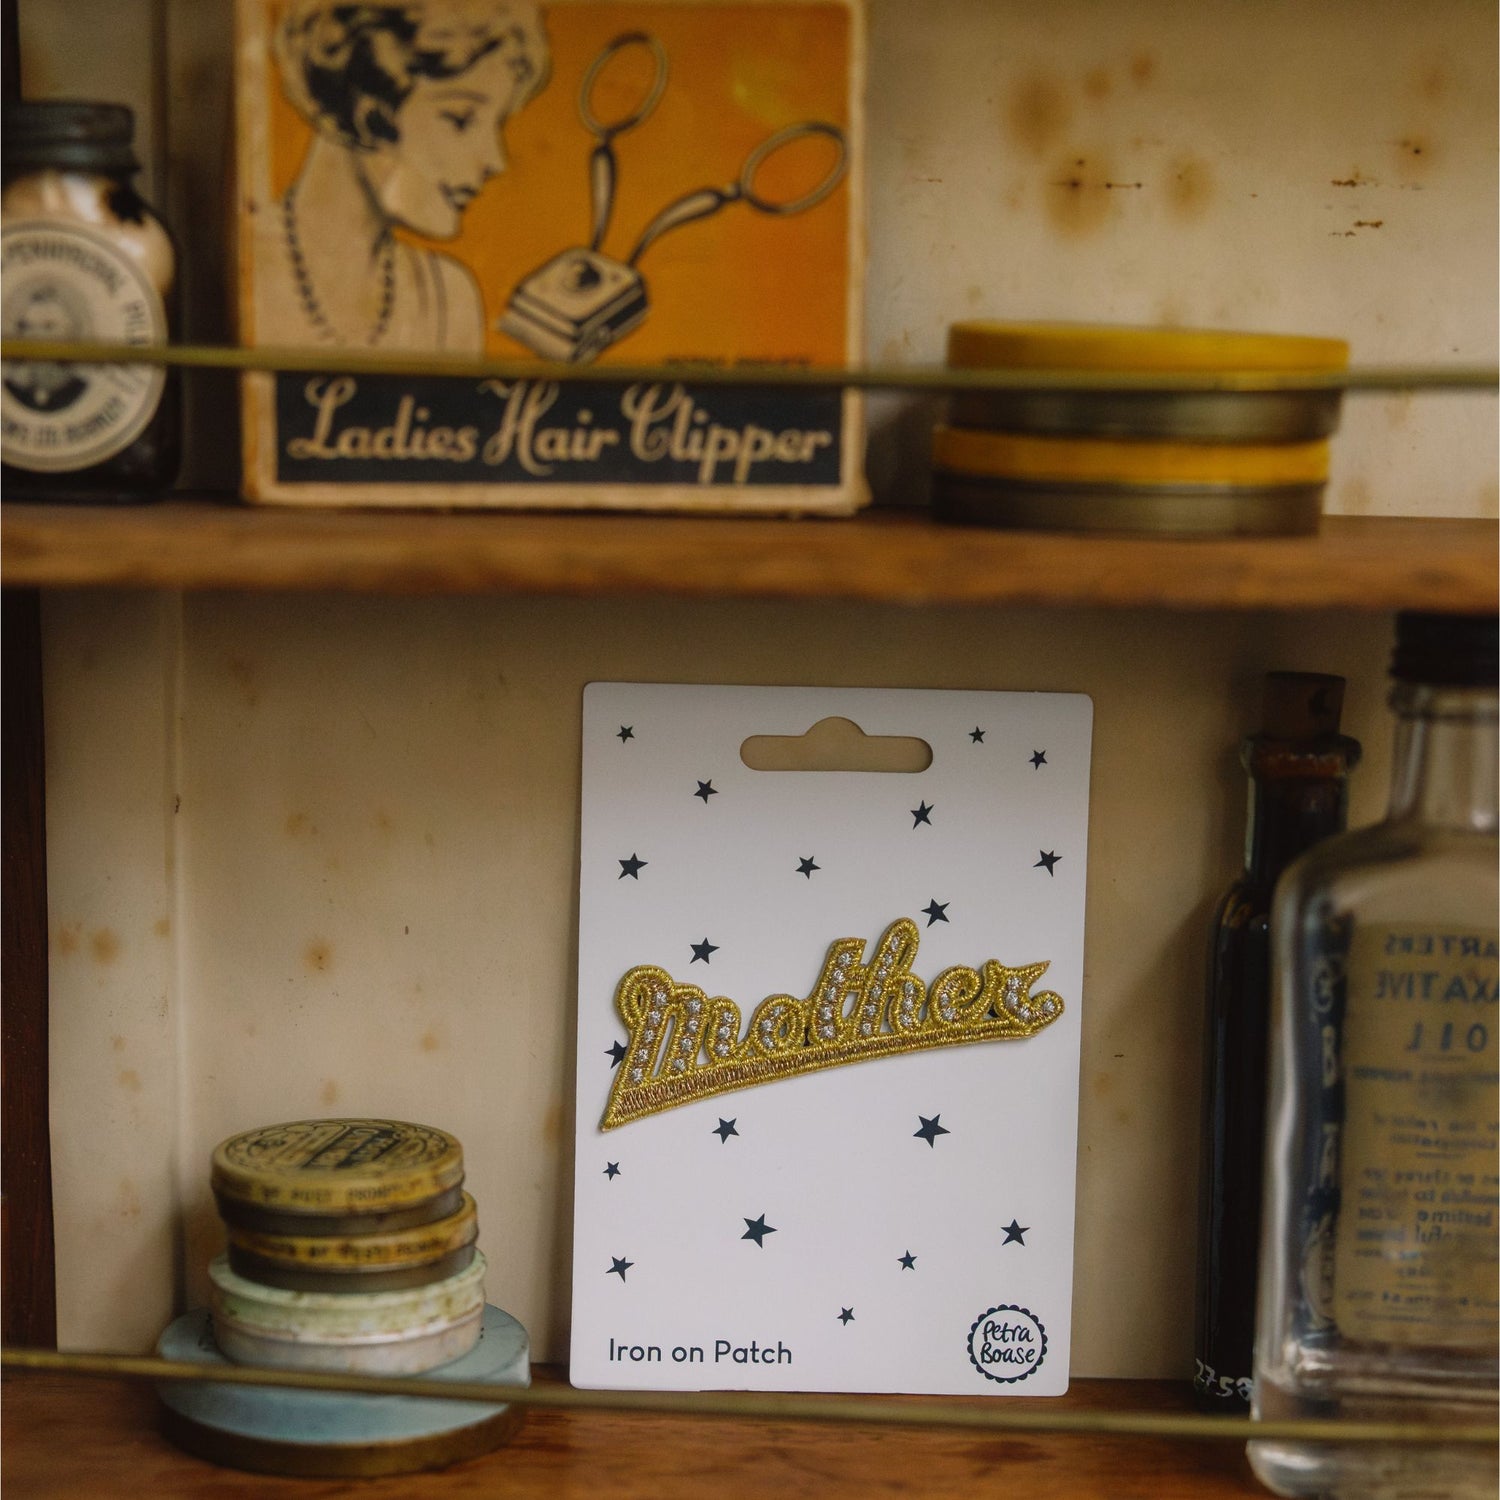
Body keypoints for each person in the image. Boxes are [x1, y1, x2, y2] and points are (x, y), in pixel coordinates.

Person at [260, 0, 550, 352]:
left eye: (497, 124)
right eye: (461, 120)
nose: (496, 161)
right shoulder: (250, 268)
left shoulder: (449, 299)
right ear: (370, 120)